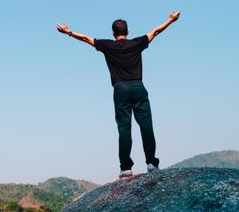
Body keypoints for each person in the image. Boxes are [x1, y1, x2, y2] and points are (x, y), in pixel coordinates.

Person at [56, 10, 181, 178]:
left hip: (120, 89)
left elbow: (86, 38)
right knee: (146, 126)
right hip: (138, 86)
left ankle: (125, 168)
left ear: (113, 33)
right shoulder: (136, 43)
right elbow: (155, 31)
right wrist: (171, 20)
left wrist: (68, 32)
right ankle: (151, 163)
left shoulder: (108, 45)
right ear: (127, 32)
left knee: (124, 128)